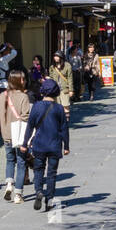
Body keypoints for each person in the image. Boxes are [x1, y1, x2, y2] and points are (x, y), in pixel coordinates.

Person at [22, 77, 70, 212]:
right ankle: (49, 200)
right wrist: (66, 146)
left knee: (38, 170)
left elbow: (30, 126)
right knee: (52, 173)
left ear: (42, 91)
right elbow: (64, 129)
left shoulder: (36, 106)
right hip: (54, 145)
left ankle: (38, 191)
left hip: (39, 144)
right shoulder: (59, 108)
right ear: (56, 92)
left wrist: (25, 143)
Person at [0, 68, 31, 203]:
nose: (24, 81)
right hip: (19, 135)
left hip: (6, 133)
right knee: (21, 162)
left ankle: (9, 184)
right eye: (23, 79)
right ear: (18, 81)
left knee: (10, 160)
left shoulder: (2, 95)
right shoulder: (23, 97)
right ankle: (18, 194)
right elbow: (25, 116)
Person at [49, 50, 74, 120]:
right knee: (56, 106)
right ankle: (59, 121)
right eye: (55, 56)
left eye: (57, 56)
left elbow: (70, 78)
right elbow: (51, 77)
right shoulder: (52, 67)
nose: (56, 58)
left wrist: (71, 90)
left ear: (61, 57)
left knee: (66, 106)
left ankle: (66, 121)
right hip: (55, 90)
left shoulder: (67, 65)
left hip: (64, 89)